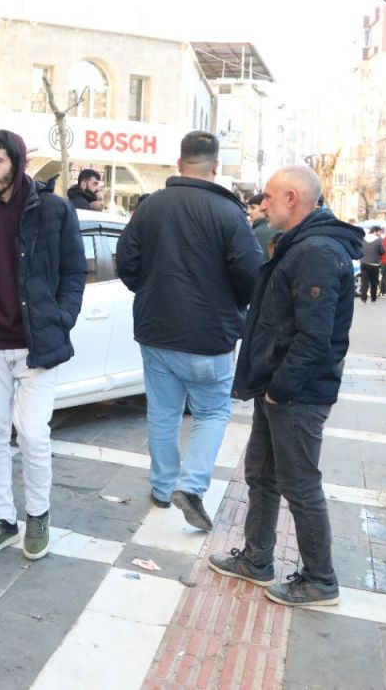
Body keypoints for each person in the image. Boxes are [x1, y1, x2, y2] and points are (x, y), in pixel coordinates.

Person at [208, 165, 362, 607]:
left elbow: (316, 336)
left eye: (270, 198)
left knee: (299, 484)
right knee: (262, 474)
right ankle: (257, 558)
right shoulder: (300, 246)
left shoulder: (314, 251)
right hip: (278, 388)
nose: (262, 205)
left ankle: (319, 579)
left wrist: (280, 387)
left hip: (296, 394)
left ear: (292, 198)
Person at [0, 130, 85, 561]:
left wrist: (60, 319)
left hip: (36, 344)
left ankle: (38, 515)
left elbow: (74, 272)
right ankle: (4, 520)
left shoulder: (54, 209)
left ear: (17, 162)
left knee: (31, 432)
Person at [116, 131, 263, 530]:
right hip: (210, 336)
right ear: (215, 167)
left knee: (162, 414)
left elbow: (126, 263)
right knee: (212, 412)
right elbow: (252, 275)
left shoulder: (150, 208)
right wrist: (232, 303)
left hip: (156, 330)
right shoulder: (230, 213)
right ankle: (192, 486)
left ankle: (163, 488)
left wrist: (151, 291)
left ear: (179, 163)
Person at [247, 193, 275, 261]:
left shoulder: (257, 233)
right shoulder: (276, 228)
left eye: (253, 208)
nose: (249, 212)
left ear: (264, 208)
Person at [359, 226, 382, 302]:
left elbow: (360, 249)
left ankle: (363, 298)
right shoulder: (378, 240)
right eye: (379, 232)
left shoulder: (363, 238)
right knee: (374, 282)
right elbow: (382, 251)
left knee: (364, 281)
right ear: (375, 231)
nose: (380, 233)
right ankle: (373, 298)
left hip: (364, 263)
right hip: (374, 264)